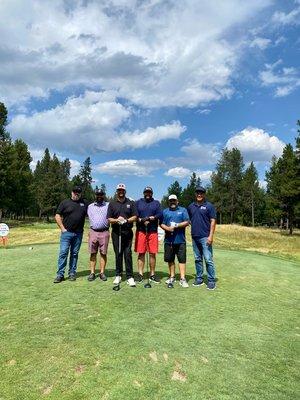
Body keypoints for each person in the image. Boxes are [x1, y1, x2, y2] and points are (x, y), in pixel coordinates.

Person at [54, 186, 88, 283]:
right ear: (71, 192)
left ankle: (72, 273)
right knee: (63, 253)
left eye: (78, 192)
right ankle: (60, 274)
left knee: (74, 253)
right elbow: (57, 215)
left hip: (78, 234)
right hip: (67, 233)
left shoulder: (84, 203)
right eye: (75, 191)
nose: (76, 193)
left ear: (80, 193)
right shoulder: (65, 202)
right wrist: (62, 228)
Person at [107, 183, 137, 287]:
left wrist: (126, 220)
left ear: (125, 191)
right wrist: (116, 220)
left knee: (128, 254)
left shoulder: (131, 203)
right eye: (119, 190)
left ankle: (130, 276)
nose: (121, 192)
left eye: (122, 190)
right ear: (117, 191)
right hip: (116, 232)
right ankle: (118, 275)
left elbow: (135, 216)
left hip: (127, 232)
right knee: (118, 253)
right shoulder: (112, 203)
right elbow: (109, 219)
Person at [187, 186, 217, 290]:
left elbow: (213, 221)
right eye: (198, 193)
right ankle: (199, 279)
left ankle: (211, 280)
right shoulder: (191, 206)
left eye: (201, 193)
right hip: (194, 237)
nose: (199, 195)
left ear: (204, 194)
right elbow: (189, 219)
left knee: (208, 259)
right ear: (195, 194)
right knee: (197, 259)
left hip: (205, 237)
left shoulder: (209, 206)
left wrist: (211, 236)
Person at [160, 194, 190, 288]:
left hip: (180, 240)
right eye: (171, 201)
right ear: (168, 202)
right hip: (169, 241)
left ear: (177, 201)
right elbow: (161, 224)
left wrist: (176, 225)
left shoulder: (183, 210)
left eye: (174, 200)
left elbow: (187, 222)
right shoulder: (165, 211)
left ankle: (182, 279)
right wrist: (168, 229)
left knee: (182, 259)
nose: (172, 202)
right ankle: (172, 276)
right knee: (170, 259)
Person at [135, 186, 162, 283]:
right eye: (146, 192)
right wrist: (141, 220)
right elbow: (135, 214)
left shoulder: (156, 203)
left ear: (152, 193)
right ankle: (140, 274)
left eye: (149, 192)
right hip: (141, 231)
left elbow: (160, 214)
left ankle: (152, 274)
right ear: (144, 193)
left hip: (152, 231)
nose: (148, 194)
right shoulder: (138, 202)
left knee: (152, 253)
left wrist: (152, 218)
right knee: (141, 252)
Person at [87, 188, 110, 282]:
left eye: (101, 195)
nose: (99, 196)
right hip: (93, 232)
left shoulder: (108, 205)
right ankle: (92, 273)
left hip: (104, 232)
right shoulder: (90, 206)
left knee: (103, 253)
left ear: (103, 195)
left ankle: (102, 273)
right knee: (93, 253)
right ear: (95, 195)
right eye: (97, 195)